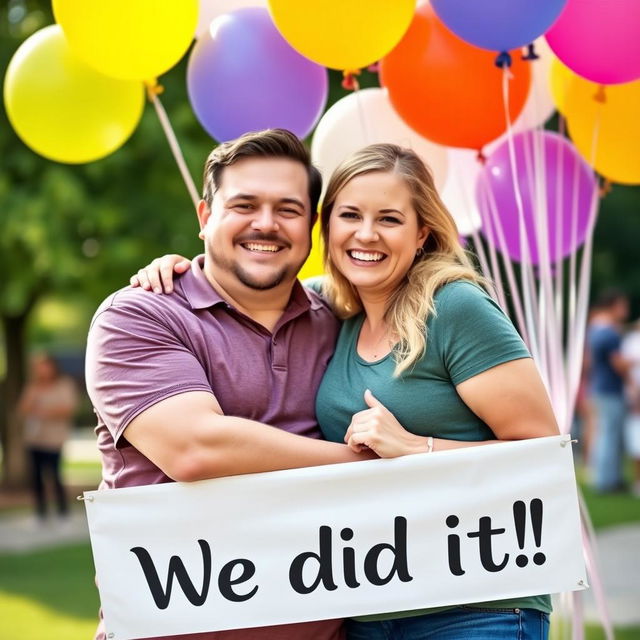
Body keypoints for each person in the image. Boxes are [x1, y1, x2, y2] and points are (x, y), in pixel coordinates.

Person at [136, 142, 559, 640]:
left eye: (389, 219)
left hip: (473, 604)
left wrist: (414, 450)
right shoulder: (332, 308)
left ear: (422, 232)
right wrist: (186, 267)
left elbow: (544, 457)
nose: (366, 234)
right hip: (370, 605)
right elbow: (247, 278)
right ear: (327, 227)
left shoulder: (455, 308)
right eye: (350, 215)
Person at [85, 129, 377, 640]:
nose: (266, 223)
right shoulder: (139, 315)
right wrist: (378, 463)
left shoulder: (346, 319)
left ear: (312, 227)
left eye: (288, 209)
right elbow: (197, 449)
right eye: (244, 204)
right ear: (205, 218)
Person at [17, 352, 78, 522]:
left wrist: (44, 412)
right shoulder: (33, 386)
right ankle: (41, 512)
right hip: (34, 439)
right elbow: (23, 408)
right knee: (36, 478)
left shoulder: (64, 384)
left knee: (56, 476)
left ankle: (62, 511)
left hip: (54, 440)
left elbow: (68, 408)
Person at [587, 289, 632, 493]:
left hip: (598, 387)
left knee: (605, 434)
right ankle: (606, 481)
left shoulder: (595, 329)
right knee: (609, 435)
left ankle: (606, 478)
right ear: (613, 305)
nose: (625, 309)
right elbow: (619, 365)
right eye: (622, 305)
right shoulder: (609, 333)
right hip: (610, 390)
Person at [621, 320, 640, 497]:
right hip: (636, 398)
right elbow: (625, 369)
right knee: (637, 440)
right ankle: (637, 481)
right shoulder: (632, 341)